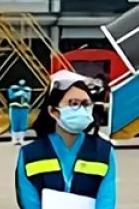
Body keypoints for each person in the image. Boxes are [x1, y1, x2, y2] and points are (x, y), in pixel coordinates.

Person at [16, 71, 117, 208]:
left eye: (86, 104)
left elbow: (106, 201)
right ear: (53, 111)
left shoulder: (104, 153)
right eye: (74, 103)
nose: (81, 109)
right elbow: (29, 202)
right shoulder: (30, 155)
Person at [7, 80, 33, 145]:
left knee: (23, 123)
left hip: (24, 108)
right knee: (14, 123)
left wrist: (25, 95)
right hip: (14, 107)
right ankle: (14, 139)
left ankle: (21, 139)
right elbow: (10, 96)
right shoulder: (12, 88)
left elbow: (29, 99)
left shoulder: (27, 89)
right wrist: (17, 93)